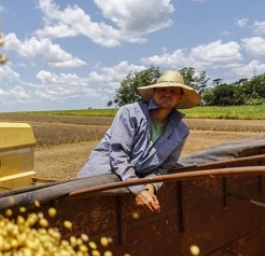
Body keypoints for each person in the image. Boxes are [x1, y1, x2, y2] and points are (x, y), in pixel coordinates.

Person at [77, 70, 201, 214]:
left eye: (173, 91)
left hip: (131, 185)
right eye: (162, 89)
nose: (167, 94)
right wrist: (138, 189)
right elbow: (119, 154)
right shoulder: (130, 113)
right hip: (100, 179)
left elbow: (165, 166)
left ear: (180, 97)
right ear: (154, 92)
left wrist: (151, 186)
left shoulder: (181, 131)